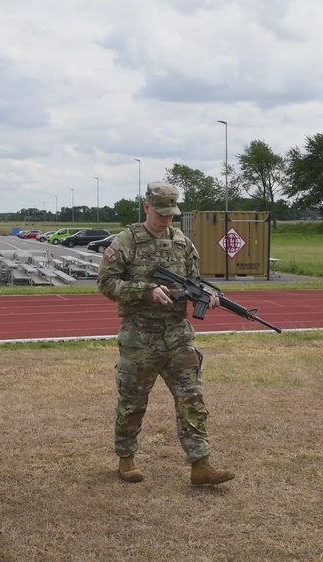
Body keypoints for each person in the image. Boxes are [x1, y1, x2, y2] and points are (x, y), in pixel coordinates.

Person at [97, 182, 235, 486]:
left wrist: (207, 298)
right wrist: (146, 290)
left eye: (171, 214)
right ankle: (126, 458)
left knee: (192, 397)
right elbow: (106, 283)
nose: (166, 220)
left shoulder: (183, 243)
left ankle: (200, 464)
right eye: (161, 213)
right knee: (133, 401)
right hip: (140, 335)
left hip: (177, 334)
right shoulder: (127, 241)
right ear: (146, 207)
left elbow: (193, 282)